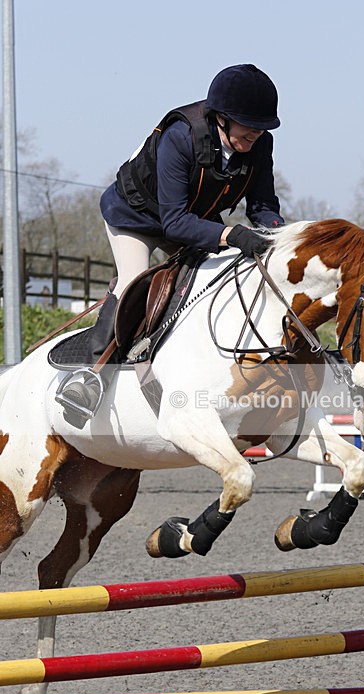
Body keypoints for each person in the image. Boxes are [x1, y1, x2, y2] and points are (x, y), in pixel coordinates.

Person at [57, 64, 284, 424]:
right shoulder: (182, 135)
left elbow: (263, 206)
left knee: (221, 280)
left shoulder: (259, 145)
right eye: (248, 125)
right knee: (135, 280)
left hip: (193, 218)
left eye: (261, 127)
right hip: (137, 215)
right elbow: (173, 222)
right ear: (221, 118)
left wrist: (278, 237)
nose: (255, 134)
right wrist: (231, 234)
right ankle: (88, 377)